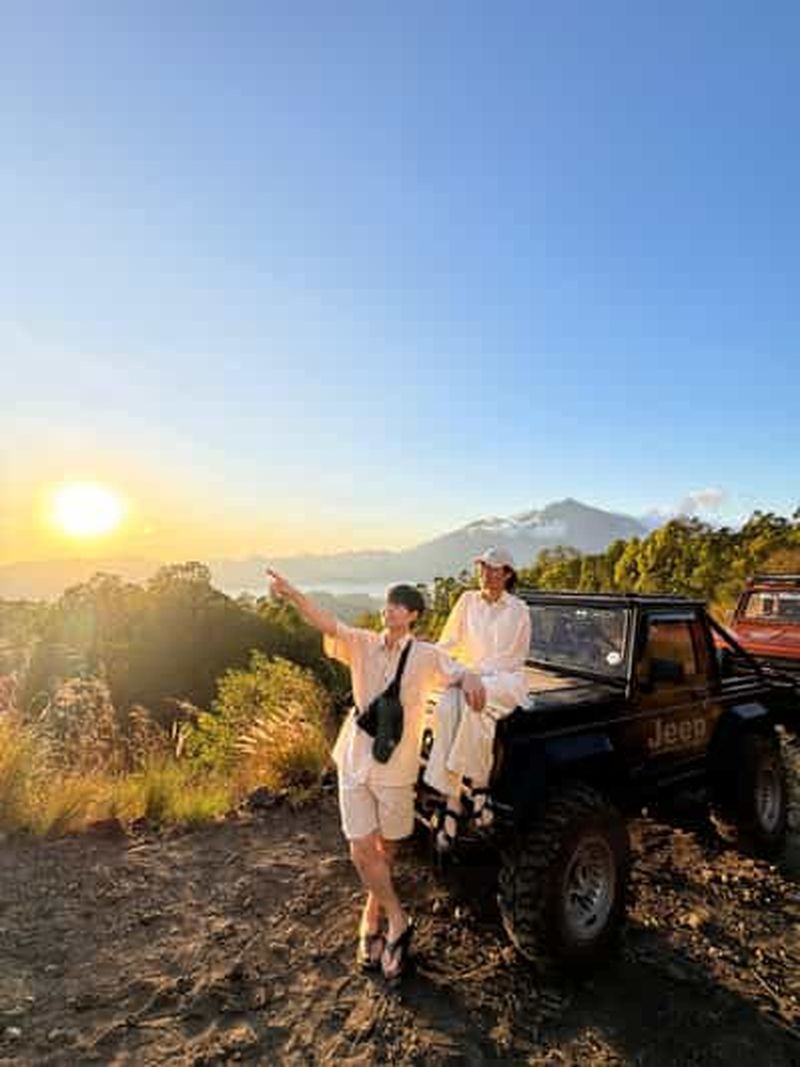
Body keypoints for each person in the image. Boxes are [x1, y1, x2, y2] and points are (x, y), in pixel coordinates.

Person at [266, 568, 481, 981]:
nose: (389, 610)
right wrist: (293, 595)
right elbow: (327, 622)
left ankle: (372, 912)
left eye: (399, 605)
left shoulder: (427, 655)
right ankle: (399, 921)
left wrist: (471, 676)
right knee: (360, 847)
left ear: (413, 615)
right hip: (354, 757)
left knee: (388, 847)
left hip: (396, 767)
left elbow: (458, 671)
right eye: (387, 603)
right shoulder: (362, 643)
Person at [423, 546, 531, 850]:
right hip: (471, 676)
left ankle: (459, 796)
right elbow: (446, 647)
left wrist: (478, 677)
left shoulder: (519, 609)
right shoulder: (467, 601)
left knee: (474, 700)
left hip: (505, 681)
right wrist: (463, 674)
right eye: (482, 567)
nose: (485, 573)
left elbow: (515, 658)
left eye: (493, 568)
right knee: (448, 705)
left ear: (507, 574)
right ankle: (464, 793)